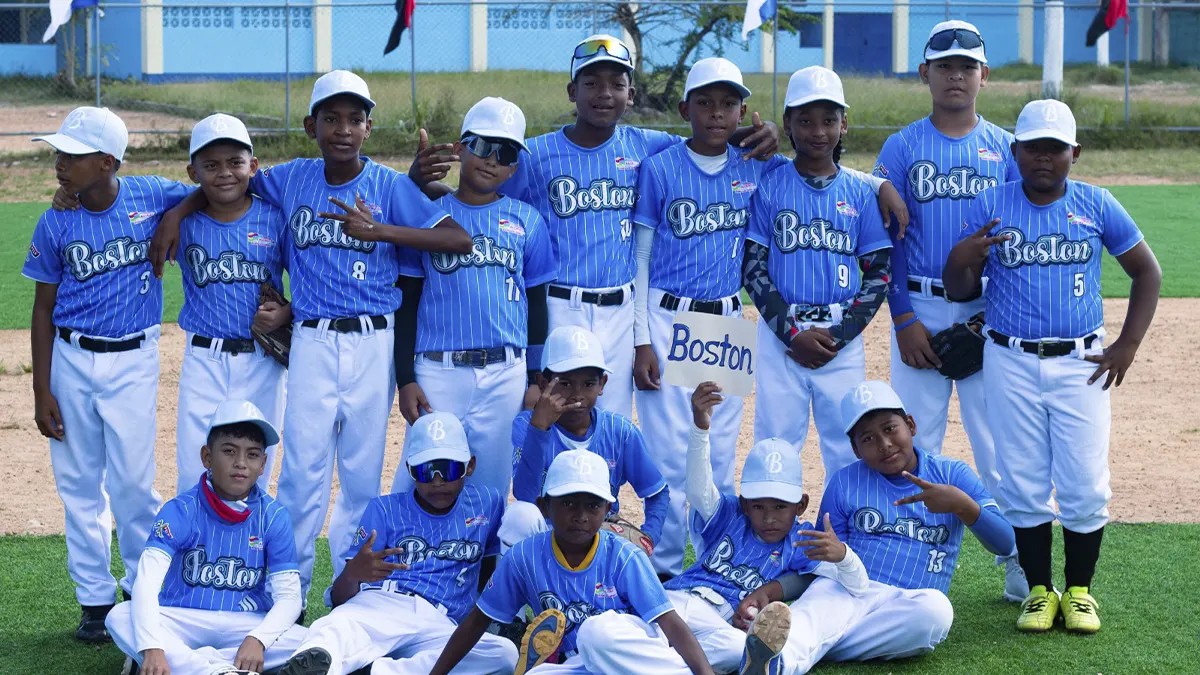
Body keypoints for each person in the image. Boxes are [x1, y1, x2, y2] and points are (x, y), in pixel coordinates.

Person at [149, 70, 473, 595]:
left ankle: (353, 593)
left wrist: (380, 230)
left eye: (355, 119)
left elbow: (458, 239)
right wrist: (177, 214)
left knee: (362, 475)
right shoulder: (291, 178)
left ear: (369, 127)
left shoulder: (389, 185)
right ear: (310, 126)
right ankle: (289, 593)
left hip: (373, 338)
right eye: (331, 118)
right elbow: (225, 180)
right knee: (302, 474)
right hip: (312, 340)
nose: (343, 129)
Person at [409, 35, 780, 419]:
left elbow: (707, 139)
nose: (605, 93)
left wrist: (766, 130)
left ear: (630, 95)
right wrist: (418, 183)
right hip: (558, 305)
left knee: (610, 418)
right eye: (591, 83)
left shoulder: (646, 145)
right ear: (573, 91)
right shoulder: (536, 155)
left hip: (620, 311)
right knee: (555, 415)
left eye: (617, 84)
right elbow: (477, 201)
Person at [944, 99, 1161, 634]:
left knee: (1085, 480)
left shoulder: (1096, 203)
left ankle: (1080, 591)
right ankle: (1040, 591)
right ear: (1014, 151)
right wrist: (962, 259)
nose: (1044, 158)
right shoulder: (990, 204)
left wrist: (1128, 344)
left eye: (1055, 148)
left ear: (1074, 153)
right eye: (1033, 147)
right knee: (1021, 479)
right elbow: (959, 290)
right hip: (1009, 358)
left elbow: (1146, 271)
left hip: (1081, 361)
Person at [871, 19, 1026, 601]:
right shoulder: (903, 146)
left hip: (988, 311)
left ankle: (1018, 558)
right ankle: (907, 561)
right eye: (944, 67)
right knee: (910, 444)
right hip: (921, 308)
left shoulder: (1007, 149)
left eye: (966, 66)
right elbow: (887, 242)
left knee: (998, 445)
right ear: (924, 74)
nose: (955, 76)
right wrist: (904, 319)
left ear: (984, 75)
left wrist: (988, 322)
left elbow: (1019, 243)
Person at [24, 106, 190, 641]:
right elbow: (43, 308)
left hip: (134, 358)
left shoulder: (150, 193)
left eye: (72, 155)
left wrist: (174, 217)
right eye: (59, 153)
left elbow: (205, 191)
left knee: (133, 484)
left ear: (108, 162)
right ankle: (94, 600)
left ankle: (142, 589)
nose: (60, 163)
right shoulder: (56, 220)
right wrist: (41, 388)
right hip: (71, 358)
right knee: (78, 484)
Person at [734, 380, 1016, 672]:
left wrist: (962, 505)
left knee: (937, 611)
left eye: (890, 428)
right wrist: (774, 590)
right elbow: (820, 566)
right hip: (846, 590)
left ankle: (808, 646)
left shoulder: (951, 474)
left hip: (908, 604)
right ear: (856, 449)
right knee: (823, 601)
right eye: (868, 438)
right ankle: (778, 665)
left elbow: (1005, 543)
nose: (884, 444)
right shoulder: (844, 482)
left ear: (910, 425)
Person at [392, 97, 556, 496]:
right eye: (482, 146)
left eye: (506, 153)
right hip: (437, 369)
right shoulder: (429, 214)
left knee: (491, 485)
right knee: (419, 475)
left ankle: (484, 544)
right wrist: (406, 379)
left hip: (505, 372)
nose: (492, 160)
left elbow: (536, 305)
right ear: (460, 148)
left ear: (514, 166)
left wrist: (535, 376)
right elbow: (408, 301)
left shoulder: (527, 220)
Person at [427, 449, 715, 675]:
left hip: (627, 657)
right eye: (568, 503)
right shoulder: (524, 557)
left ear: (608, 509)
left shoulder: (625, 556)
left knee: (595, 632)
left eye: (593, 505)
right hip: (580, 663)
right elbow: (477, 621)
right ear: (545, 506)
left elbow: (669, 622)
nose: (581, 515)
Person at [743, 66, 892, 485]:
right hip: (781, 336)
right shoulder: (771, 184)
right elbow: (753, 268)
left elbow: (878, 274)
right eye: (805, 120)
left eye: (829, 119)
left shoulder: (860, 193)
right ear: (787, 123)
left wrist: (840, 336)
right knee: (775, 442)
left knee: (848, 445)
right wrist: (792, 335)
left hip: (840, 337)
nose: (818, 131)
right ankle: (772, 524)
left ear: (844, 123)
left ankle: (842, 526)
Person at [279, 413, 514, 675]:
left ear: (469, 466)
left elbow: (489, 568)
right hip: (381, 604)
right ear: (410, 470)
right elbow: (339, 599)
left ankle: (373, 669)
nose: (437, 481)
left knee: (503, 654)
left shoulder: (488, 503)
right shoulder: (384, 509)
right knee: (335, 629)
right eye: (425, 471)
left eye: (448, 469)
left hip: (440, 623)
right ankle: (328, 662)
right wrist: (353, 574)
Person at [661, 382, 868, 673]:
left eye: (780, 507)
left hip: (716, 625)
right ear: (745, 504)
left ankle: (646, 660)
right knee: (634, 628)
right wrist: (700, 427)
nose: (769, 518)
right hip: (676, 598)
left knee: (740, 649)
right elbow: (697, 489)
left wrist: (844, 555)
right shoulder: (731, 514)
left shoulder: (801, 540)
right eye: (759, 507)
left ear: (801, 505)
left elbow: (859, 586)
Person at [106, 400, 306, 675]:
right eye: (229, 451)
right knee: (119, 616)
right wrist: (152, 646)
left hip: (245, 623)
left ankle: (195, 662)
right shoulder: (180, 510)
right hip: (182, 618)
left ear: (263, 464)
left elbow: (290, 597)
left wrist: (259, 639)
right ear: (207, 457)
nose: (240, 463)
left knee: (311, 640)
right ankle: (218, 671)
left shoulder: (274, 516)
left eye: (252, 454)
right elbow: (147, 582)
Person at [175, 113, 289, 494]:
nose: (224, 173)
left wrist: (288, 311)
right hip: (204, 359)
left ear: (252, 166)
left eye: (235, 162)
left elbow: (311, 278)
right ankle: (196, 534)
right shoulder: (183, 221)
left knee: (256, 466)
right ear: (193, 173)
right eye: (211, 165)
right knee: (194, 466)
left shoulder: (274, 219)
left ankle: (252, 534)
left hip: (262, 359)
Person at [506, 325, 668, 552]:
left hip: (599, 537)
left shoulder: (619, 431)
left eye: (589, 384)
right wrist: (539, 429)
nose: (577, 394)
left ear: (602, 384)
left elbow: (657, 492)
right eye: (565, 383)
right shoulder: (528, 425)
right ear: (543, 383)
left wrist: (649, 537)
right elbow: (524, 495)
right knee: (519, 516)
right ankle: (522, 576)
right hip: (545, 539)